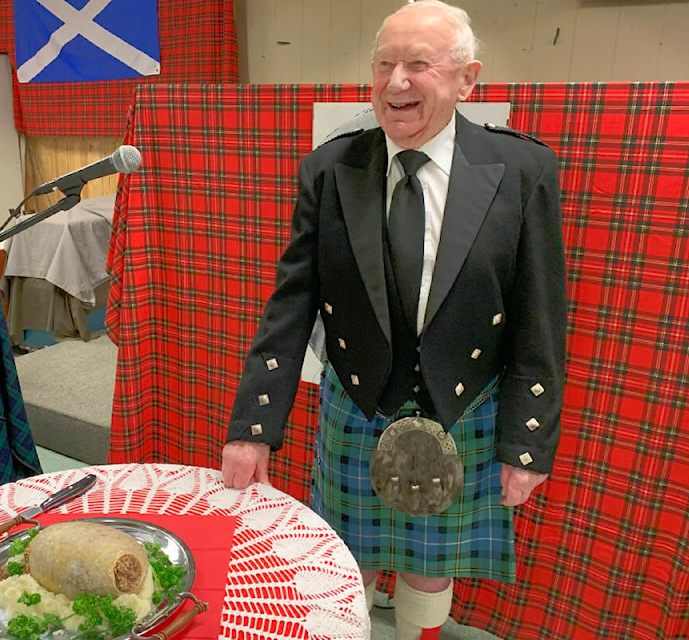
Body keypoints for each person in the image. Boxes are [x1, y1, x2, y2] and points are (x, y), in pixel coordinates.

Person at [222, 1, 566, 638]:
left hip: (462, 404)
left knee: (433, 568)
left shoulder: (520, 170)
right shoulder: (332, 168)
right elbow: (291, 303)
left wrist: (527, 442)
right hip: (358, 399)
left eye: (418, 65)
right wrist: (253, 427)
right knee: (343, 558)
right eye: (384, 64)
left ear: (467, 79)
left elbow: (538, 315)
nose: (396, 82)